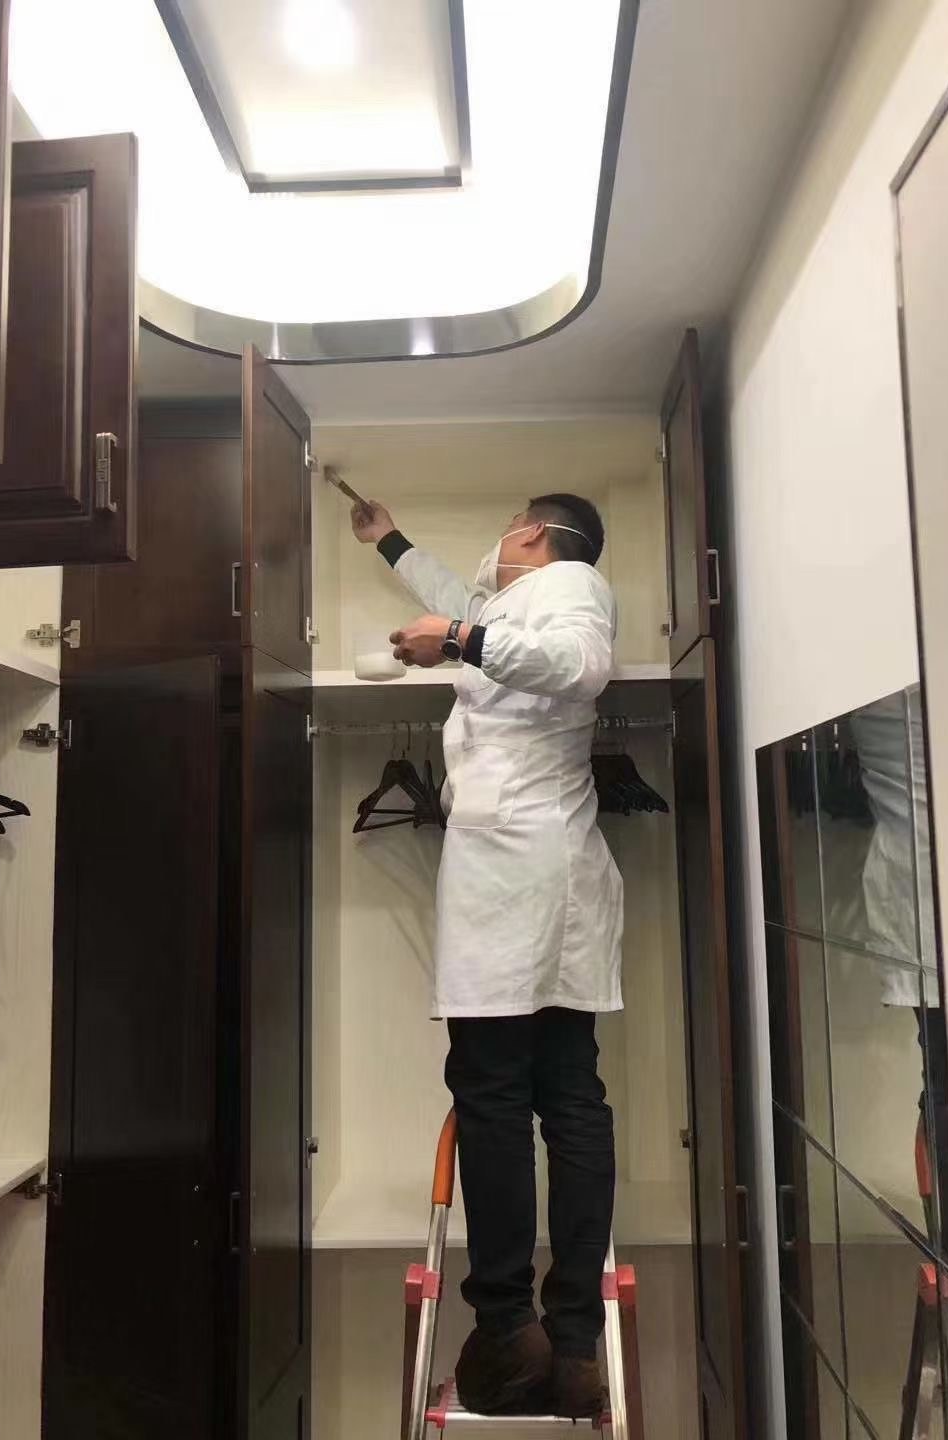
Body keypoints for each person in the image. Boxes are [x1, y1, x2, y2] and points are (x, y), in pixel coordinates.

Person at [352, 494, 624, 1419]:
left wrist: (461, 641)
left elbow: (580, 668)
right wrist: (389, 541)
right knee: (566, 1094)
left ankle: (511, 1328)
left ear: (534, 535)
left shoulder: (572, 583)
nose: (494, 547)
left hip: (518, 870)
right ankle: (573, 1343)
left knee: (496, 1095)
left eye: (507, 529)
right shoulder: (519, 604)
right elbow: (459, 601)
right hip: (537, 871)